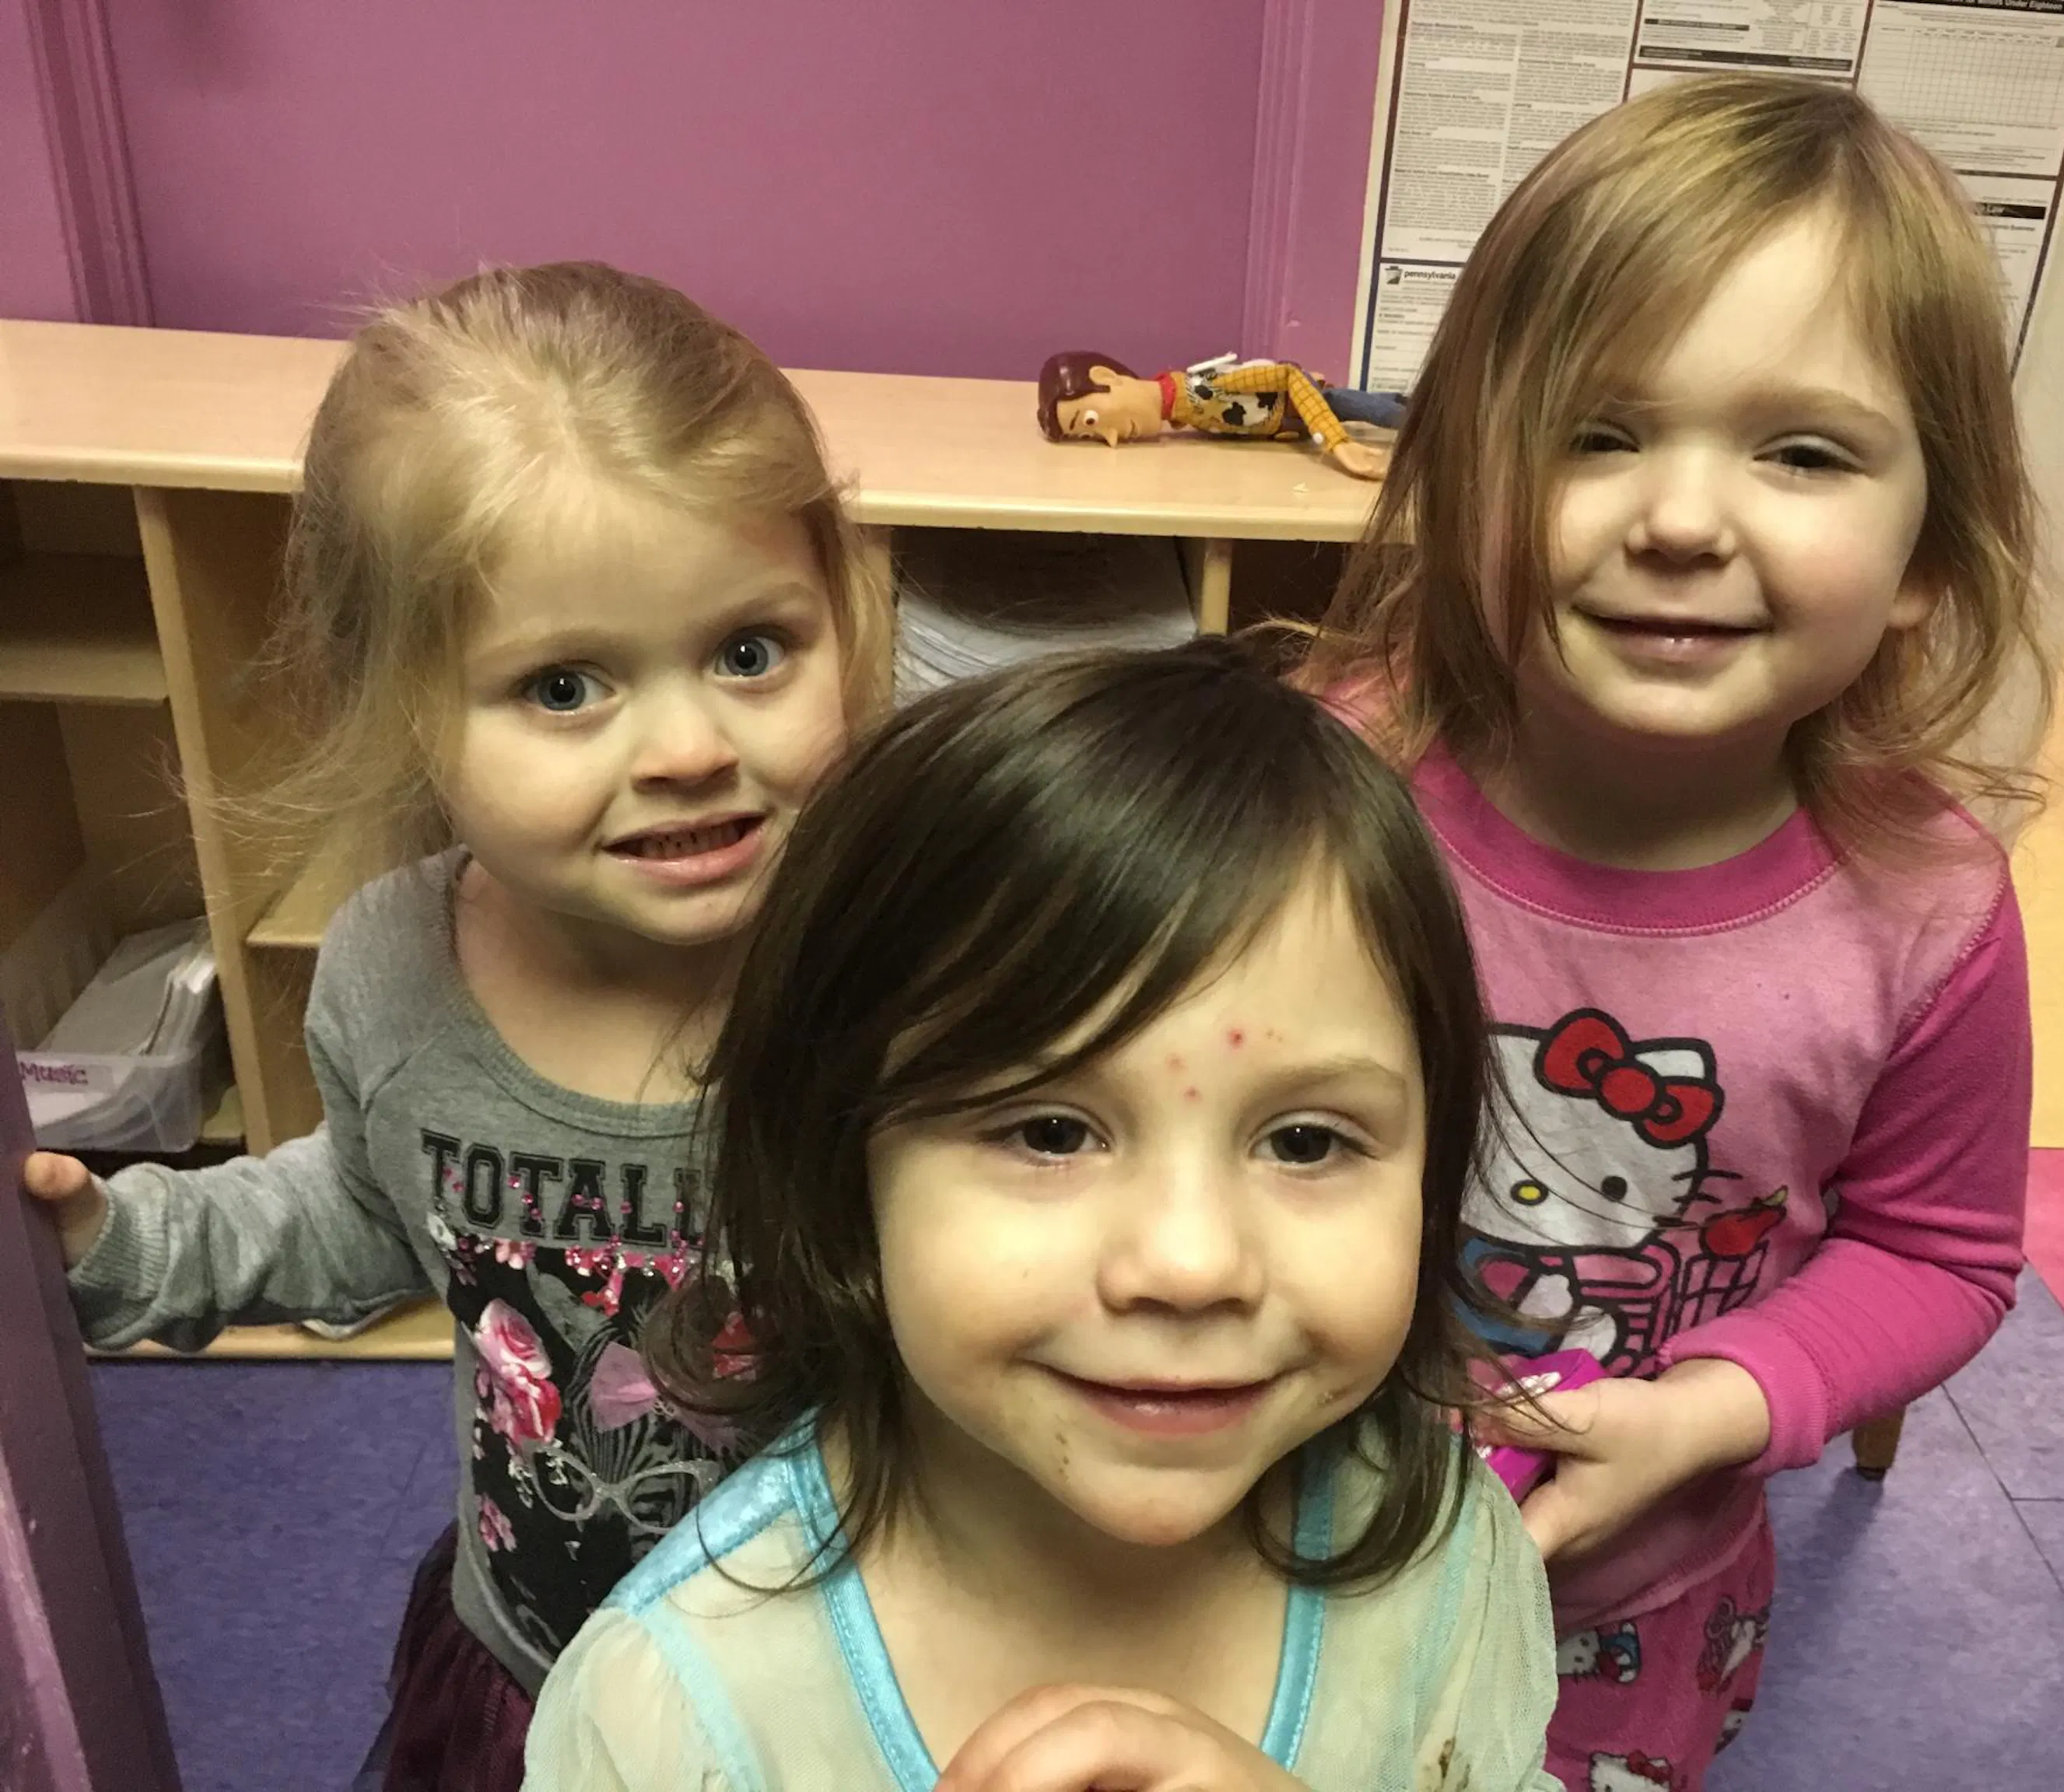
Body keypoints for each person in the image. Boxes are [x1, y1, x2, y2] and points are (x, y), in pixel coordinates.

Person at [18, 261, 889, 1792]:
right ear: (401, 705)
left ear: (843, 614)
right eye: (564, 686)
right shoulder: (393, 965)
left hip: (842, 1696)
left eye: (751, 651)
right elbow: (369, 1208)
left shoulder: (908, 961)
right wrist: (121, 1240)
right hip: (533, 1655)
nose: (690, 746)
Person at [1302, 74, 2052, 1792]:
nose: (1684, 519)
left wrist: (1711, 1410)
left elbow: (1941, 1255)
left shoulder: (1926, 912)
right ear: (1462, 479)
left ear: (1927, 553)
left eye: (1801, 452)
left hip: (1631, 1615)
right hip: (1267, 1547)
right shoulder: (1324, 787)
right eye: (1598, 431)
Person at [521, 640, 1562, 1792]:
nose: (1191, 1264)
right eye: (1051, 1132)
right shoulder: (669, 1714)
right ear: (841, 1166)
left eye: (1306, 1142)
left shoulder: (1451, 1556)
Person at [1036, 349, 1400, 479]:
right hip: (1290, 429)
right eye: (1091, 436)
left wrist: (1336, 441)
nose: (1113, 439)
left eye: (1091, 421)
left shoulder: (1207, 387)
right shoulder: (1192, 417)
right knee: (1391, 405)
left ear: (1106, 377)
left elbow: (1289, 376)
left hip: (1306, 407)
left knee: (1381, 412)